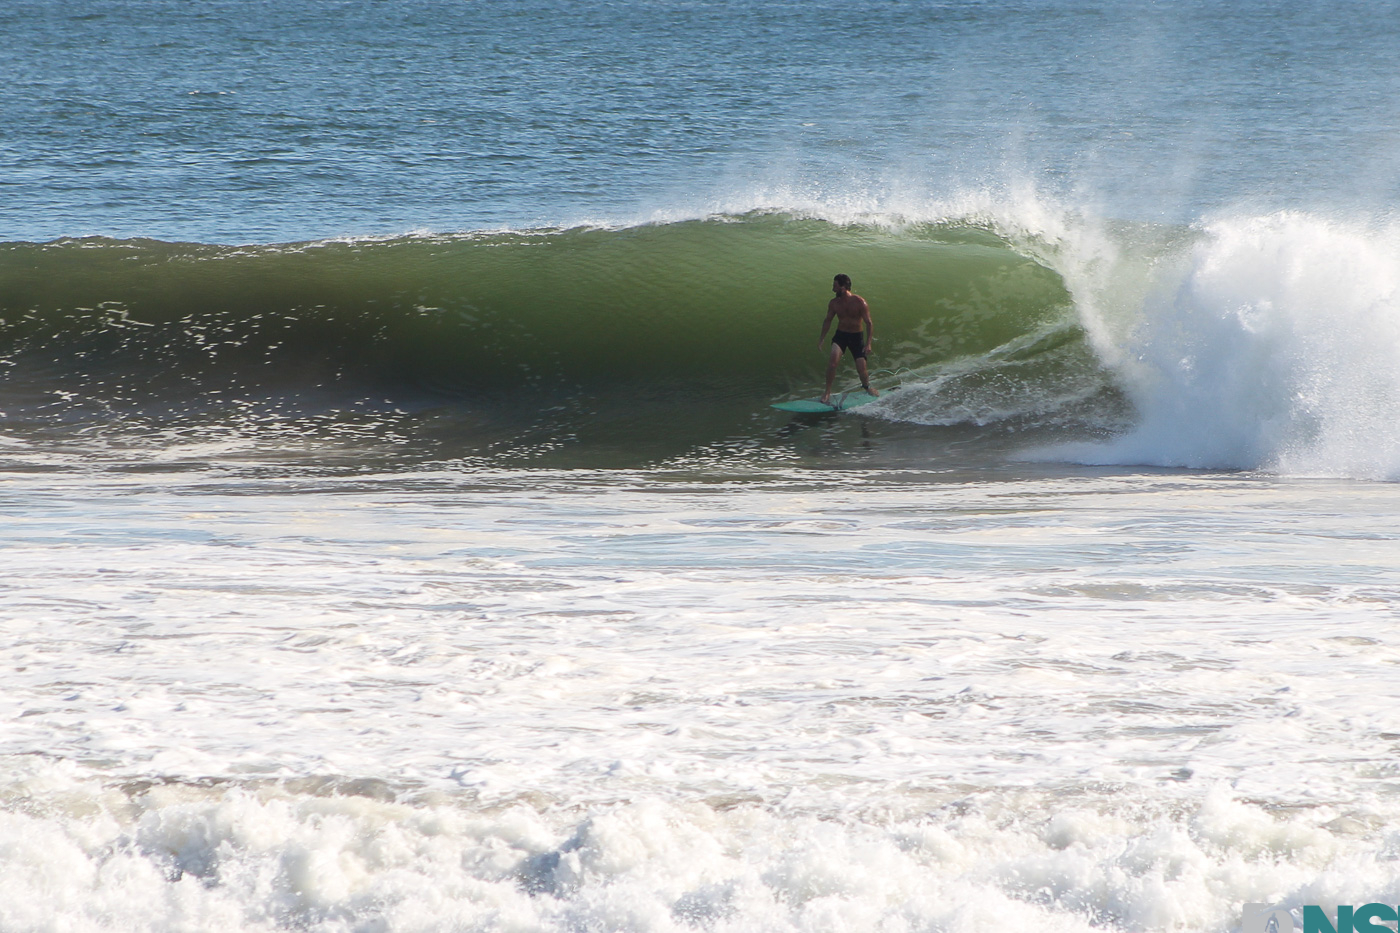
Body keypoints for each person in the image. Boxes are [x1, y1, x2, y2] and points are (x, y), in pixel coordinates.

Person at [817, 273, 877, 404]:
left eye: (835, 286)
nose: (833, 289)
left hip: (856, 337)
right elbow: (828, 321)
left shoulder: (860, 302)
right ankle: (827, 392)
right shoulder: (834, 303)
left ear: (843, 287)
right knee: (832, 363)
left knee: (862, 369)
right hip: (841, 336)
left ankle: (867, 387)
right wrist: (822, 338)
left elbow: (869, 323)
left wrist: (868, 344)